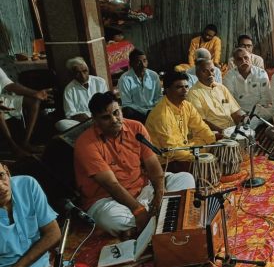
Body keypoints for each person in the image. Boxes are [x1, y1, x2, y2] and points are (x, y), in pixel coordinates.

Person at [74, 92, 195, 237]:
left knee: (186, 178)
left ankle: (144, 225)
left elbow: (153, 165)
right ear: (94, 120)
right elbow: (111, 185)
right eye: (106, 117)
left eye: (116, 113)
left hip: (143, 188)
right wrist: (138, 210)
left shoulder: (136, 127)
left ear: (121, 109)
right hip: (108, 200)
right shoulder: (85, 143)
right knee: (113, 220)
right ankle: (165, 214)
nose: (114, 120)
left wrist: (159, 193)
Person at [0, 164, 110, 267]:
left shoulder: (27, 185)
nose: (0, 186)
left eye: (1, 176)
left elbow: (53, 233)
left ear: (7, 172)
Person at [145, 71, 216, 170]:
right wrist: (195, 158)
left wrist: (213, 144)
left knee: (206, 140)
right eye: (179, 87)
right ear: (167, 90)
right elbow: (171, 150)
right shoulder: (161, 114)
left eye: (186, 87)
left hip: (183, 148)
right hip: (166, 160)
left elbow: (202, 128)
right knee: (203, 158)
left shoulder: (187, 105)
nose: (185, 90)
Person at [0, 66, 50, 156]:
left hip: (1, 98)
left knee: (34, 101)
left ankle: (26, 142)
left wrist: (35, 93)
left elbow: (9, 84)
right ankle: (14, 147)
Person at [187, 58, 245, 132]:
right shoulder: (193, 93)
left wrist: (243, 119)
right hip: (213, 132)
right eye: (205, 71)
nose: (210, 74)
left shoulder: (221, 88)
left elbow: (235, 112)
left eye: (212, 70)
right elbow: (201, 122)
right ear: (197, 73)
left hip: (231, 129)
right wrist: (223, 132)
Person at [223, 47, 273, 127]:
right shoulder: (229, 77)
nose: (243, 61)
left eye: (246, 58)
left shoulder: (261, 73)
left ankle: (248, 126)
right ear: (234, 62)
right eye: (239, 59)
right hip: (240, 112)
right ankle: (248, 127)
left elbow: (265, 99)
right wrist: (242, 114)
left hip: (259, 111)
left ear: (250, 58)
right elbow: (230, 100)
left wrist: (253, 114)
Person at [56, 57, 108, 132]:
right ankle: (92, 130)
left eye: (85, 71)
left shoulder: (100, 82)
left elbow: (107, 103)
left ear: (88, 69)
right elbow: (69, 114)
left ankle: (90, 131)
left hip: (100, 117)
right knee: (61, 124)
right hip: (83, 122)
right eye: (78, 73)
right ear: (72, 73)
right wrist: (81, 117)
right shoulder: (69, 89)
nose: (83, 76)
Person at [118, 49, 161, 123]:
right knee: (127, 111)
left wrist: (154, 110)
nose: (143, 65)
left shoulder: (154, 75)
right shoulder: (124, 79)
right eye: (138, 62)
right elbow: (127, 103)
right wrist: (145, 112)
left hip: (153, 110)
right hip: (137, 113)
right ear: (131, 64)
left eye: (144, 61)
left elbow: (158, 97)